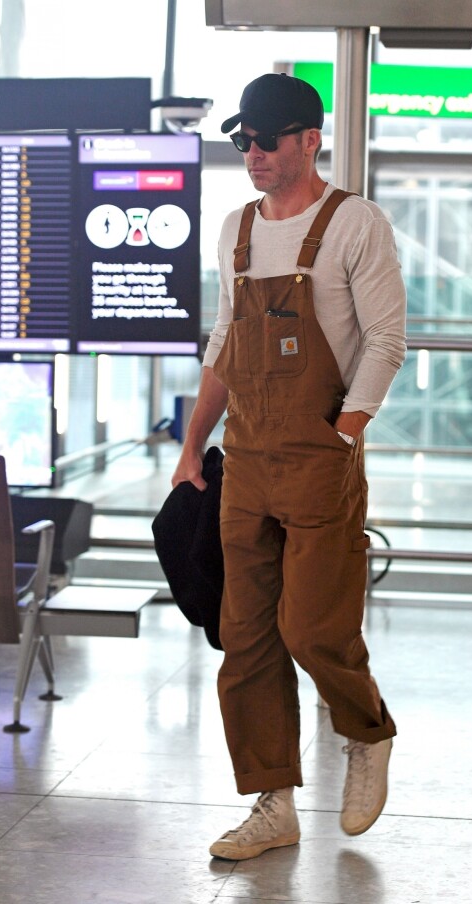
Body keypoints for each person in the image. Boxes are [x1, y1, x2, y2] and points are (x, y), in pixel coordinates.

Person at [172, 72, 407, 861]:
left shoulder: (355, 223)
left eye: (269, 139)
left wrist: (343, 433)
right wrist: (190, 447)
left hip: (317, 458)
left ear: (311, 139)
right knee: (246, 639)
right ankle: (273, 802)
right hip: (246, 459)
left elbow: (385, 340)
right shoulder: (234, 229)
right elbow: (225, 347)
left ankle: (367, 733)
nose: (254, 153)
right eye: (244, 140)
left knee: (313, 627)